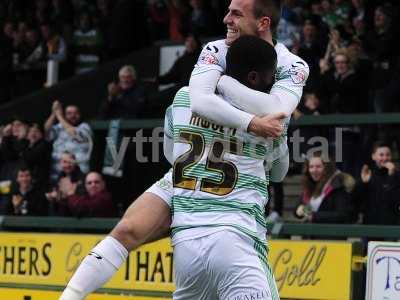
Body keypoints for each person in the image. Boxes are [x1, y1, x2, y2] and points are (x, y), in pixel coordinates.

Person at [60, 1, 309, 298]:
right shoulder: (220, 52)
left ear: (264, 23)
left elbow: (196, 106)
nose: (226, 18)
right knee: (128, 229)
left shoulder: (288, 64)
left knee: (131, 230)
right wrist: (252, 123)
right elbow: (275, 152)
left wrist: (224, 86)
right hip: (223, 205)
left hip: (201, 198)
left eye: (236, 13)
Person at [294, 152, 355, 224]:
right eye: (311, 167)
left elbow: (342, 215)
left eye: (318, 166)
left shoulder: (337, 186)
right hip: (310, 233)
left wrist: (314, 216)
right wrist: (301, 210)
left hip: (330, 233)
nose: (314, 170)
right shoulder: (309, 185)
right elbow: (300, 209)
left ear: (326, 168)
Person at [45, 101, 92, 184]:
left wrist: (59, 115)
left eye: (75, 113)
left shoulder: (85, 127)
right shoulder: (59, 126)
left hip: (79, 174)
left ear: (80, 114)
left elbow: (74, 133)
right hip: (57, 173)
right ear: (65, 115)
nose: (73, 116)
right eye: (69, 113)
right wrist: (54, 113)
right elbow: (46, 130)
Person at [353, 141, 400, 225]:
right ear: (373, 156)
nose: (385, 158)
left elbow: (395, 200)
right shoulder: (368, 174)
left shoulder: (397, 175)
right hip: (370, 224)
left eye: (388, 155)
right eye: (381, 155)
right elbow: (356, 201)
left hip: (391, 225)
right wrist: (363, 183)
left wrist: (391, 176)